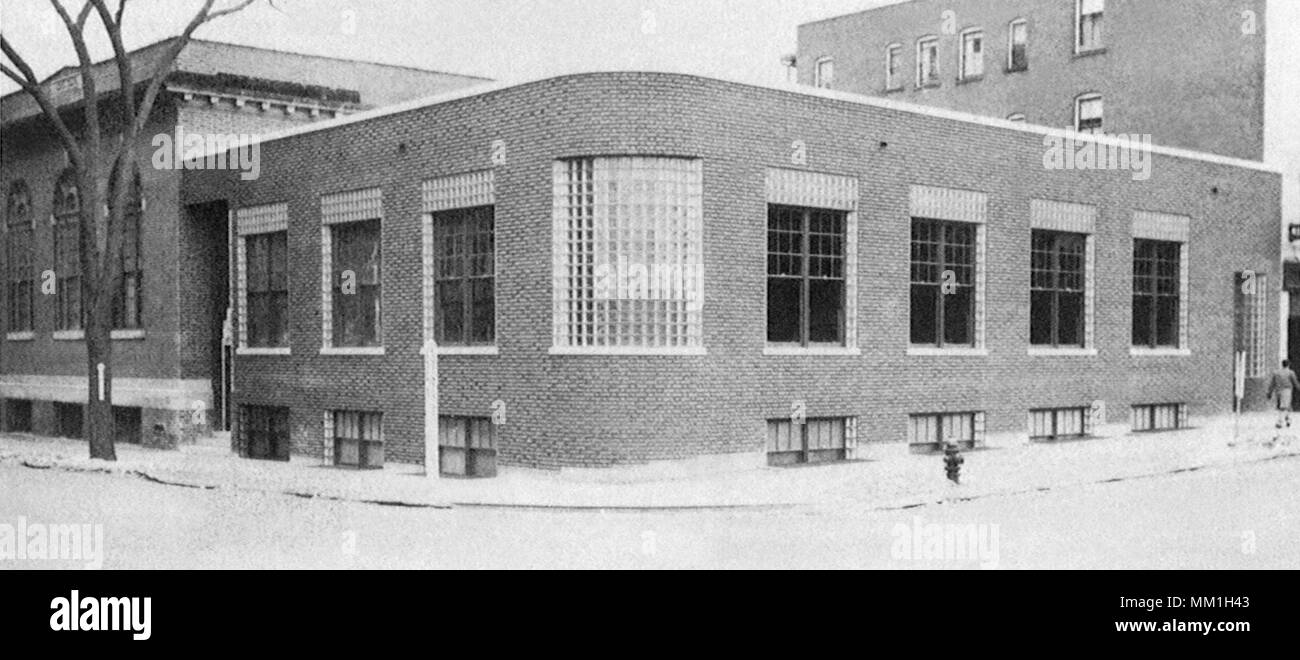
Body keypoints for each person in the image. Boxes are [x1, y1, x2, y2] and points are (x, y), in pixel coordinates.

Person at [1265, 359, 1300, 429]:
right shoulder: (1290, 373)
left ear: (1282, 364)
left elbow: (1272, 383)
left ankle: (1288, 420)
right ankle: (1280, 421)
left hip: (1278, 391)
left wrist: (1269, 392)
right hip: (1287, 390)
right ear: (1288, 365)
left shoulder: (1276, 373)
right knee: (1284, 406)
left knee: (1284, 405)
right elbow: (1295, 382)